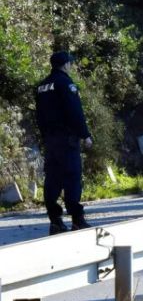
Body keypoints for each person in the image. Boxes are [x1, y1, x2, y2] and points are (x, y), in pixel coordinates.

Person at [35, 51, 93, 235]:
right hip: (67, 140)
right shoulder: (66, 83)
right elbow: (75, 111)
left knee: (52, 178)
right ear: (66, 64)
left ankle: (56, 221)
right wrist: (85, 135)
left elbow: (39, 115)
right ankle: (77, 219)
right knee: (72, 177)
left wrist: (45, 136)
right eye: (70, 64)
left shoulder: (42, 86)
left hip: (50, 140)